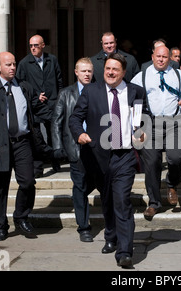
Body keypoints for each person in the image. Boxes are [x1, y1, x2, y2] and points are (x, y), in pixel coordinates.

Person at [69, 53, 147, 269]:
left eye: (115, 69)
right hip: (98, 156)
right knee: (107, 200)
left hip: (125, 156)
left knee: (122, 201)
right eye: (107, 69)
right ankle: (111, 236)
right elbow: (75, 117)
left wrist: (141, 133)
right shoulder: (91, 91)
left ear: (124, 72)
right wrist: (79, 134)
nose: (110, 72)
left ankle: (124, 252)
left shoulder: (136, 92)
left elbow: (142, 120)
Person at [0, 52, 51, 241]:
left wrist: (55, 108)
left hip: (22, 142)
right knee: (0, 187)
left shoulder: (24, 87)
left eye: (14, 64)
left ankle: (21, 216)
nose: (12, 68)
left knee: (27, 182)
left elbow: (37, 108)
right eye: (8, 65)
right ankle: (1, 226)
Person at [131, 45, 181, 220]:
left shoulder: (178, 75)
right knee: (152, 163)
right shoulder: (143, 76)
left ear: (169, 58)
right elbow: (130, 96)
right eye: (158, 56)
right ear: (152, 56)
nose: (161, 59)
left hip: (173, 123)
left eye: (164, 56)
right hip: (150, 124)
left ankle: (172, 183)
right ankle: (153, 203)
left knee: (176, 158)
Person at [51, 58, 95, 243]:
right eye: (83, 71)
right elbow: (56, 121)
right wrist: (58, 147)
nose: (86, 74)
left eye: (89, 71)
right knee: (79, 186)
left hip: (95, 148)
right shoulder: (66, 93)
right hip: (74, 148)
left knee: (91, 184)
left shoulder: (99, 92)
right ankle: (84, 227)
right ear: (76, 72)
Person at [17, 34, 64, 178]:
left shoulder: (52, 60)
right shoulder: (24, 63)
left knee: (53, 133)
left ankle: (56, 161)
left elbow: (59, 80)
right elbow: (20, 85)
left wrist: (59, 99)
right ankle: (38, 167)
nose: (33, 48)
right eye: (31, 46)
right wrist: (35, 96)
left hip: (52, 103)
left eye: (36, 45)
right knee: (35, 136)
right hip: (34, 106)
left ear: (43, 45)